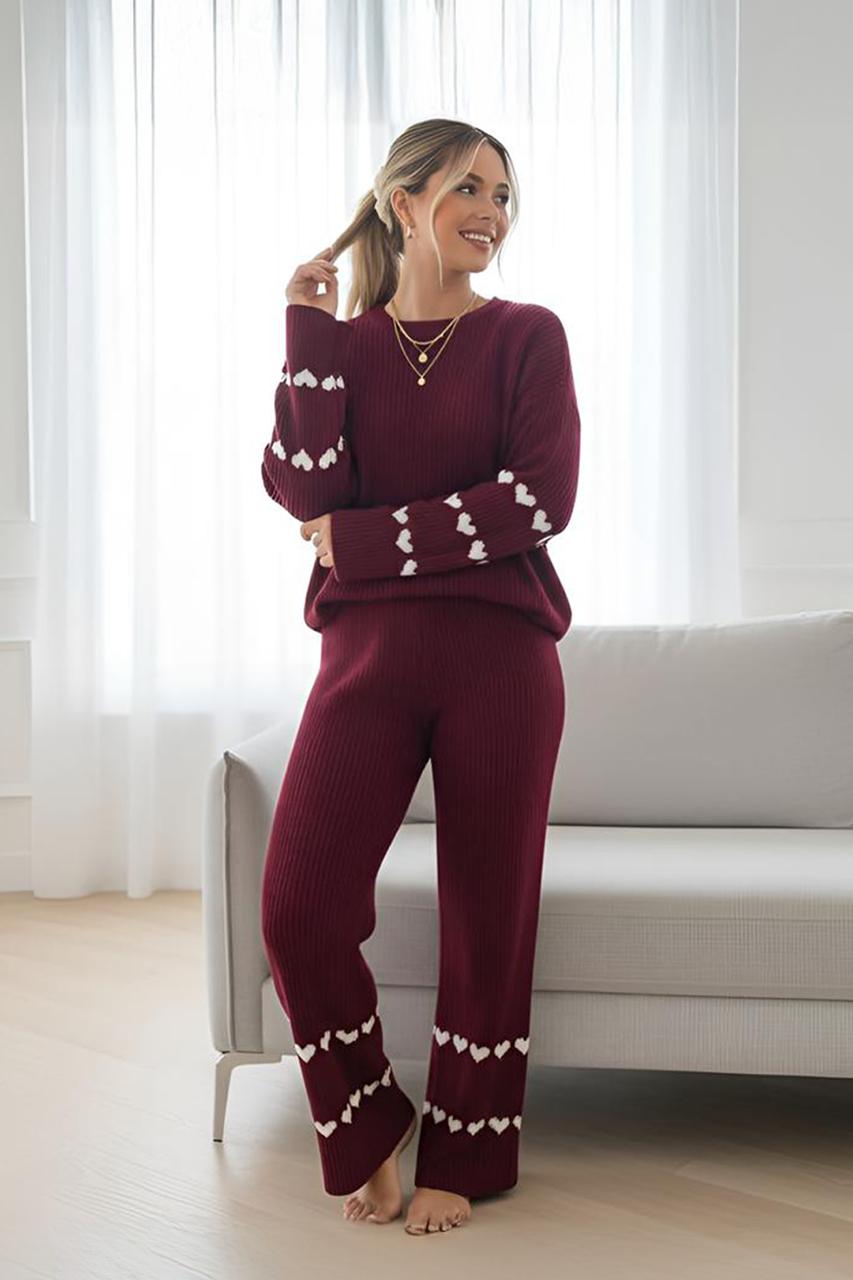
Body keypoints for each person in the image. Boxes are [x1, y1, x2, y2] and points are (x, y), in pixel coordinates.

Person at [259, 118, 581, 1235]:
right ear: (404, 202)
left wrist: (365, 540)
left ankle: (467, 1151)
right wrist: (305, 334)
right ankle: (363, 1118)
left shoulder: (528, 337)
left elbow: (535, 503)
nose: (492, 211)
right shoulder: (342, 349)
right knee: (297, 907)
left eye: (503, 194)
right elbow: (305, 492)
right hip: (365, 662)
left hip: (503, 662)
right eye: (468, 188)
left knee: (487, 916)